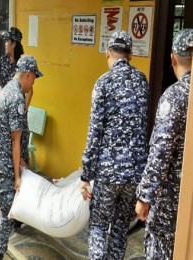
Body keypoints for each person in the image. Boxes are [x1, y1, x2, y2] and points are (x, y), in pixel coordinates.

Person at [80, 30, 149, 260]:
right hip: (134, 174)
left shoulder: (103, 83)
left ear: (108, 53)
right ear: (130, 55)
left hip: (108, 172)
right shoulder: (141, 81)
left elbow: (94, 133)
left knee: (99, 226)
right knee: (120, 229)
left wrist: (85, 175)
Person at [135, 28, 193, 260]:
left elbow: (160, 152)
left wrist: (144, 197)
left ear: (172, 58)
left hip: (171, 204)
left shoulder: (175, 96)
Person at [0, 55, 43, 260]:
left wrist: (20, 163)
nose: (33, 83)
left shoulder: (8, 88)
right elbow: (15, 140)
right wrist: (18, 176)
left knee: (9, 208)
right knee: (7, 212)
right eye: (34, 78)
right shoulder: (16, 96)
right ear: (27, 74)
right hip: (2, 162)